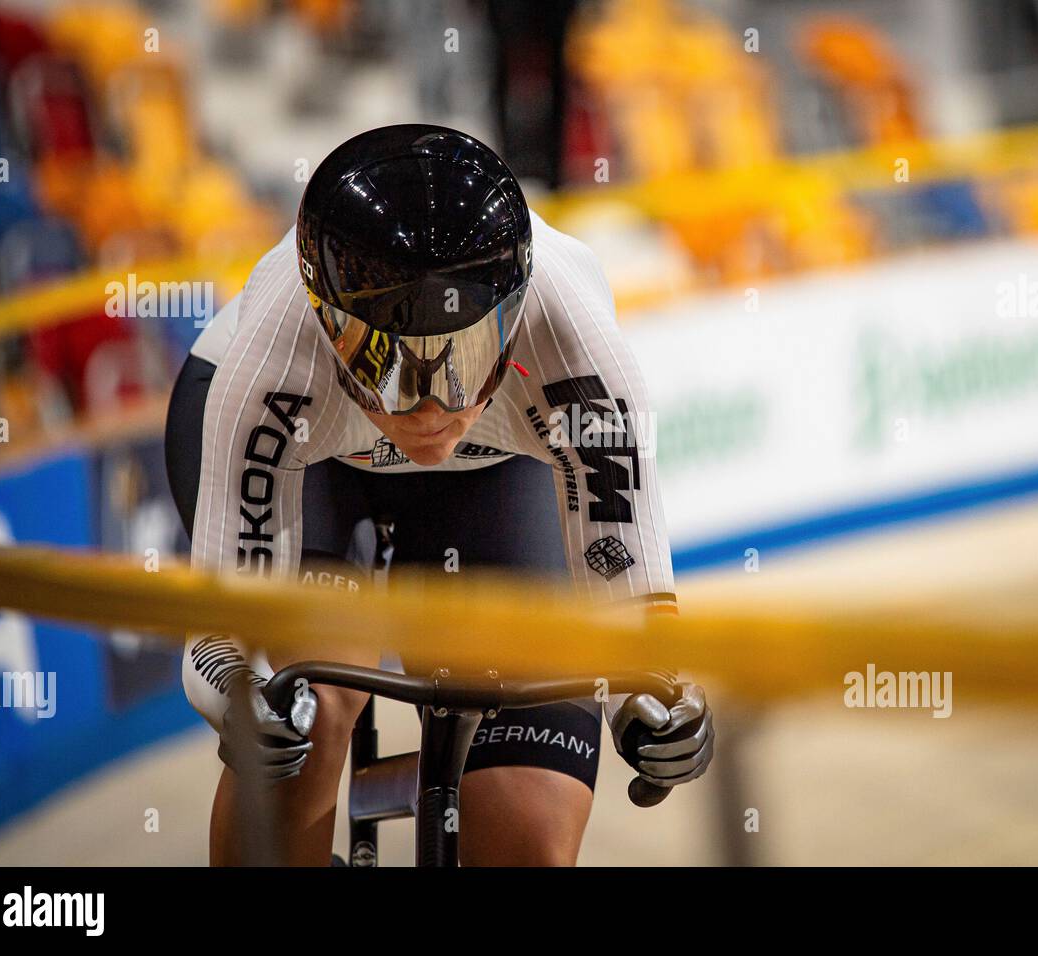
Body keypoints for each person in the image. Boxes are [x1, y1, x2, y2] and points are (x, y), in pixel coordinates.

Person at [163, 124, 714, 866]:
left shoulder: (579, 348)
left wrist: (655, 702)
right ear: (326, 323)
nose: (430, 408)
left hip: (495, 472)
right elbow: (222, 634)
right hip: (311, 461)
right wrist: (244, 692)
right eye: (388, 361)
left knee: (529, 837)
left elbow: (632, 597)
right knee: (305, 712)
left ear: (517, 319)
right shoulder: (271, 359)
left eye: (466, 360)